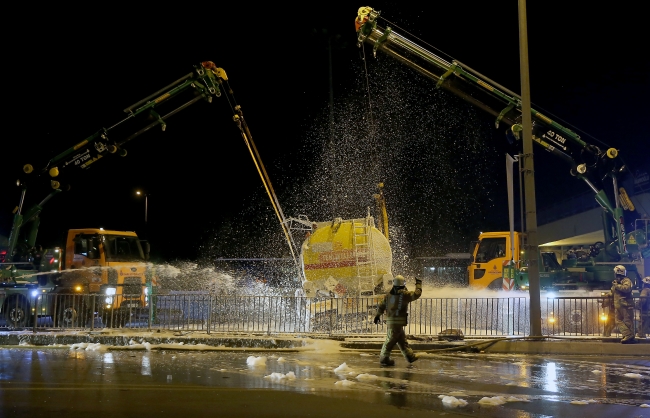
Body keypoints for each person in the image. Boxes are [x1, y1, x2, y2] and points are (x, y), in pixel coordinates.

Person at [373, 275, 422, 366]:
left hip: (391, 322)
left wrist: (377, 316)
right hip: (398, 322)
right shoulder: (405, 295)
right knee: (390, 340)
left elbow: (381, 306)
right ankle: (384, 358)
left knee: (402, 340)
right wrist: (418, 284)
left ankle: (410, 356)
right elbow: (416, 294)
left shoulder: (389, 295)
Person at [611, 265, 635, 344]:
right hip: (619, 305)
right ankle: (629, 335)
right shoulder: (616, 282)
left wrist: (616, 286)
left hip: (626, 305)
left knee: (628, 321)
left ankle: (629, 336)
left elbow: (627, 289)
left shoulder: (626, 280)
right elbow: (612, 292)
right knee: (618, 321)